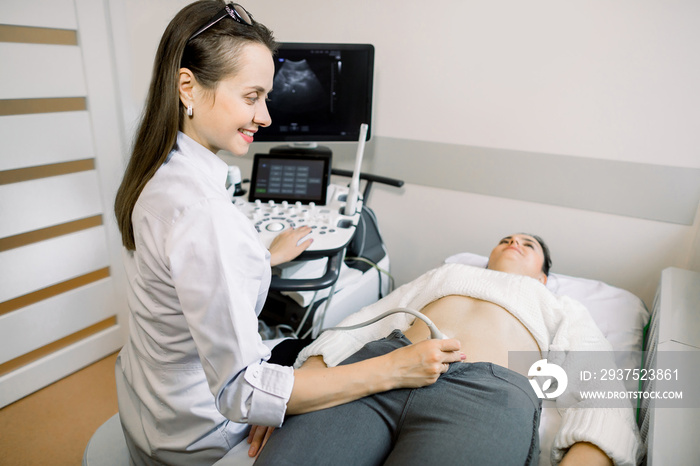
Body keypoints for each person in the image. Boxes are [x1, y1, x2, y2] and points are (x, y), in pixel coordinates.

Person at [112, 2, 465, 465]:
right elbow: (244, 391)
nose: (266, 118)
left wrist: (263, 258)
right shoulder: (205, 215)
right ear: (188, 87)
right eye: (251, 96)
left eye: (266, 98)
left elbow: (189, 278)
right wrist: (397, 368)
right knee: (357, 371)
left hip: (151, 409)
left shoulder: (162, 174)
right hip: (202, 434)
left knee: (317, 350)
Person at [255, 234, 642, 466]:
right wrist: (296, 387)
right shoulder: (446, 275)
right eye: (507, 238)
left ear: (543, 276)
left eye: (528, 244)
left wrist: (592, 453)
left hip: (485, 395)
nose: (514, 243)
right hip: (381, 366)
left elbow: (600, 387)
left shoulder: (560, 306)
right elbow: (363, 323)